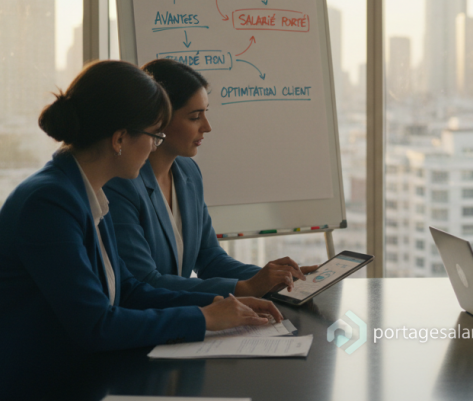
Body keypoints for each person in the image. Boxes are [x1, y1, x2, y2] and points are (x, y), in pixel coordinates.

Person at [0, 61, 282, 400]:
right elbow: (96, 325)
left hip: (65, 373)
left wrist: (222, 305)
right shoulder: (50, 202)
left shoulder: (84, 190)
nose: (154, 147)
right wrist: (202, 318)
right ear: (120, 138)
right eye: (154, 135)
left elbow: (130, 290)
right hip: (14, 387)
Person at [106, 59, 318, 297]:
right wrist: (245, 288)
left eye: (206, 113)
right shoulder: (121, 184)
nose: (207, 126)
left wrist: (276, 278)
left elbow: (209, 258)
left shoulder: (188, 172)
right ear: (158, 120)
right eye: (195, 117)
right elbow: (143, 282)